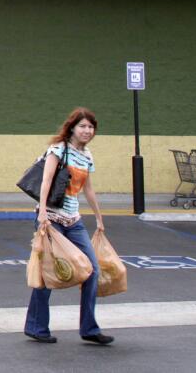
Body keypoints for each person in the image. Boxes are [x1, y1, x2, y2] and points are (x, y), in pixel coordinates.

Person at [24, 107, 114, 345]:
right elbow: (45, 181)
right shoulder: (57, 150)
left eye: (91, 127)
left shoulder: (87, 156)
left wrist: (98, 216)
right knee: (47, 273)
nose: (87, 131)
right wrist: (42, 211)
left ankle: (89, 329)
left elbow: (88, 188)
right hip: (51, 219)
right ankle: (36, 327)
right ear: (72, 127)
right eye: (83, 126)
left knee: (91, 270)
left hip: (74, 221)